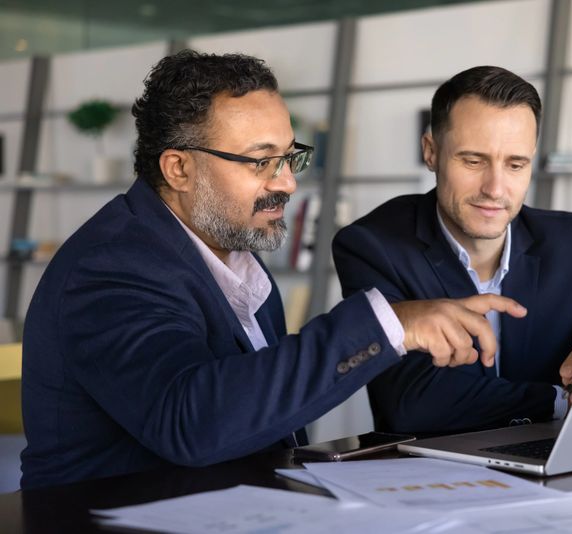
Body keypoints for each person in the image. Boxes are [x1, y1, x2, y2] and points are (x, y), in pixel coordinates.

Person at [20, 52, 527, 489]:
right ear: (179, 169)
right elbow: (191, 421)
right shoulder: (109, 267)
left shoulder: (236, 256)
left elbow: (263, 416)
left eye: (289, 157)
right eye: (260, 161)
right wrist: (391, 323)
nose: (287, 183)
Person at [333, 66, 572, 435]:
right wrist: (563, 400)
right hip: (433, 463)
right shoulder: (371, 247)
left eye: (515, 164)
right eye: (473, 161)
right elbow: (412, 403)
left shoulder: (570, 240)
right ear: (431, 152)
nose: (495, 188)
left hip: (557, 458)